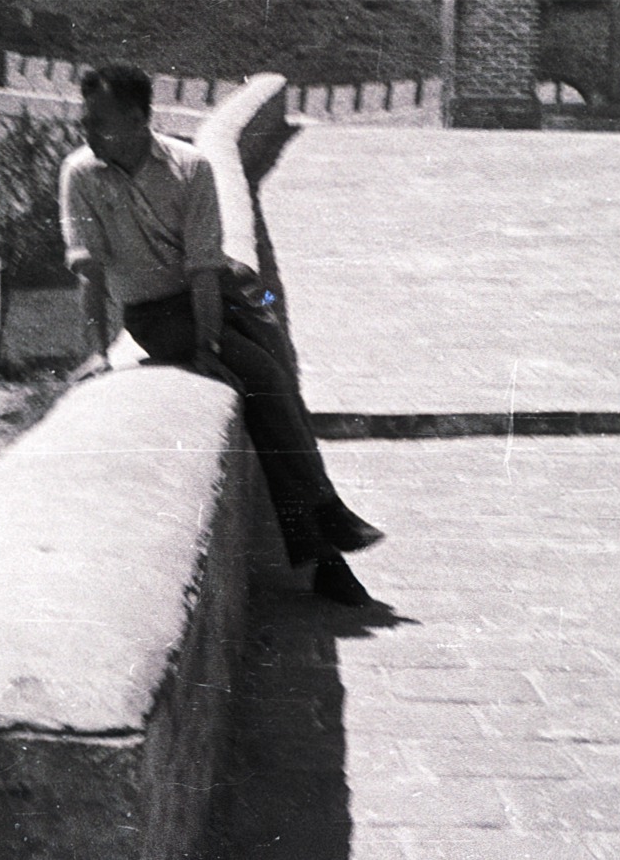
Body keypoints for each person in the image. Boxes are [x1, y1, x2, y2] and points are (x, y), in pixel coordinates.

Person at [58, 64, 384, 607]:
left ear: (139, 119)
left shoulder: (190, 167)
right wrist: (96, 352)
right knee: (260, 376)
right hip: (155, 315)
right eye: (85, 121)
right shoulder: (82, 174)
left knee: (274, 376)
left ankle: (325, 546)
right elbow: (90, 272)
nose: (87, 133)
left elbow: (204, 270)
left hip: (213, 294)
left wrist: (209, 347)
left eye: (99, 123)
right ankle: (327, 524)